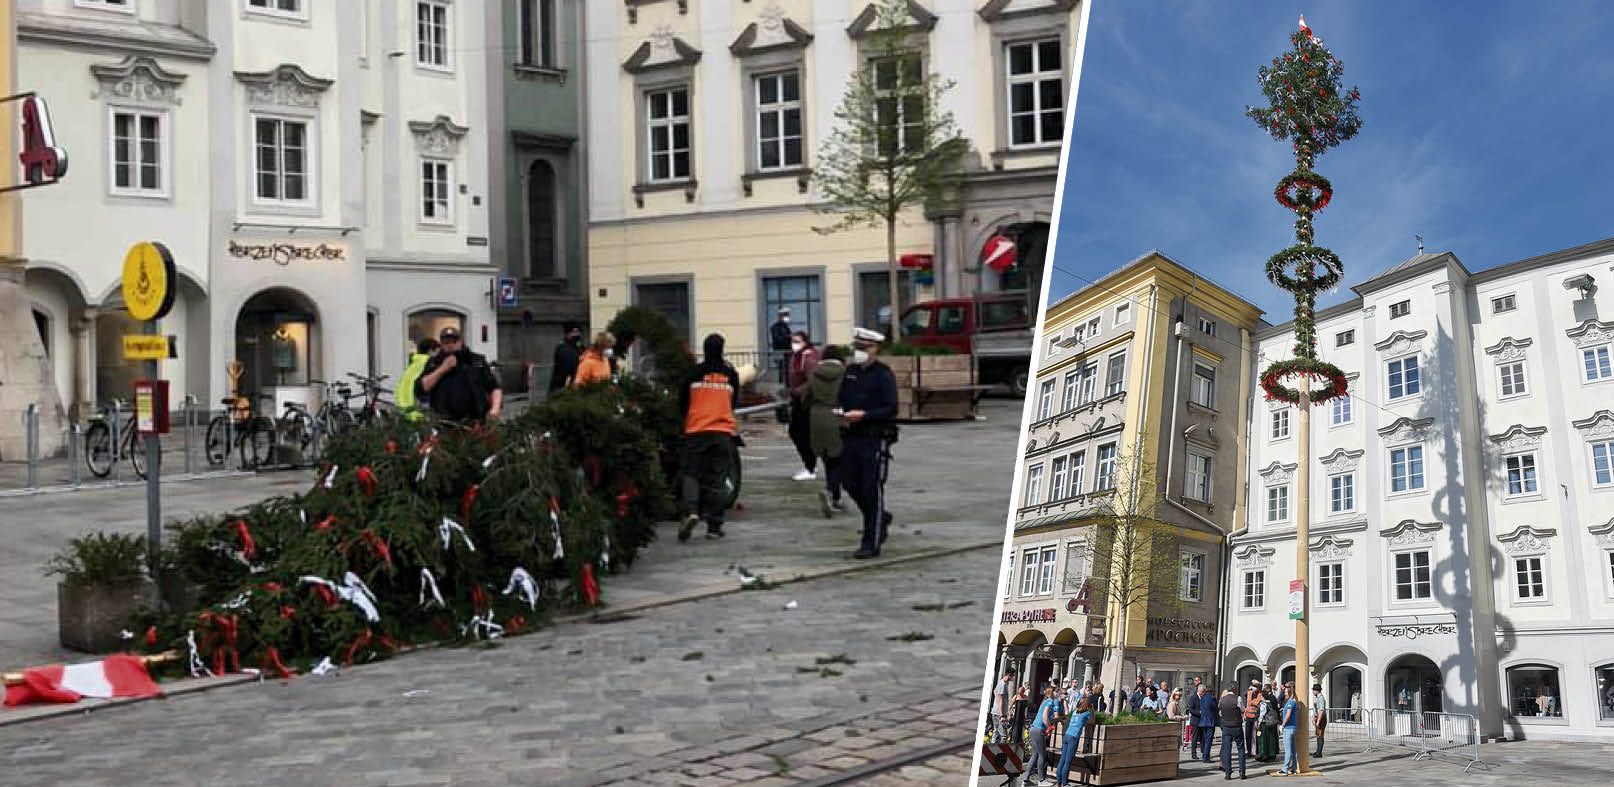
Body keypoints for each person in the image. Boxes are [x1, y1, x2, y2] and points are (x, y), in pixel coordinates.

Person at [837, 328, 898, 559]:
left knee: (870, 488)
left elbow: (891, 408)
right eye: (857, 348)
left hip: (875, 436)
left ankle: (870, 542)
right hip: (851, 435)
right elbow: (842, 397)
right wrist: (841, 413)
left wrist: (864, 415)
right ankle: (881, 516)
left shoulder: (883, 374)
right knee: (850, 483)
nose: (860, 353)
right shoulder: (850, 372)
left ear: (875, 349)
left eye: (865, 348)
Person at [676, 334, 740, 542]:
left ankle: (691, 511)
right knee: (718, 478)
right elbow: (733, 402)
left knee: (691, 473)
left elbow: (682, 401)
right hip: (722, 432)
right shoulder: (730, 374)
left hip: (696, 431)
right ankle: (714, 526)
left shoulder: (694, 373)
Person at [417, 326, 502, 422]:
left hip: (476, 422)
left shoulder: (476, 360)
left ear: (461, 342)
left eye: (454, 341)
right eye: (446, 343)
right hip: (445, 424)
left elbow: (494, 387)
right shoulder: (434, 362)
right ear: (441, 344)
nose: (451, 345)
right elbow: (422, 388)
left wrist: (495, 409)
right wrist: (443, 368)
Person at [806, 345, 848, 517]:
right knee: (840, 458)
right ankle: (832, 493)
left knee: (827, 458)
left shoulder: (814, 373)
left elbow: (807, 396)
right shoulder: (845, 373)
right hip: (837, 415)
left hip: (817, 417)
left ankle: (834, 496)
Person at [785, 331, 821, 481]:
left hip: (807, 401)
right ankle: (810, 464)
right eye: (793, 341)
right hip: (799, 400)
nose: (794, 344)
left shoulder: (808, 357)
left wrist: (797, 392)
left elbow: (812, 381)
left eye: (797, 341)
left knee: (800, 432)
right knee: (798, 432)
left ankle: (811, 466)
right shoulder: (796, 356)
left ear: (806, 341)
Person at [1054, 698, 1094, 787]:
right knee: (1068, 761)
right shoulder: (1086, 714)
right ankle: (1065, 783)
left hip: (1067, 735)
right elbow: (1092, 721)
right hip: (1074, 738)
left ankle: (1059, 782)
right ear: (1087, 705)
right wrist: (1092, 710)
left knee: (1062, 760)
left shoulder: (1075, 712)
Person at [1026, 686, 1061, 787]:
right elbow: (1044, 717)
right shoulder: (1050, 701)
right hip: (1038, 730)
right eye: (1057, 692)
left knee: (1035, 755)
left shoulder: (1045, 701)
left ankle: (1025, 780)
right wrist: (1049, 727)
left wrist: (1057, 720)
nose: (1058, 694)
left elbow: (1047, 717)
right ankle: (1041, 780)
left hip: (1033, 729)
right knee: (1042, 755)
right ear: (1052, 692)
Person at [396, 338, 438, 420]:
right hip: (419, 406)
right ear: (430, 351)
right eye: (437, 351)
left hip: (405, 406)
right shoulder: (429, 364)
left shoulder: (414, 364)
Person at [1218, 685, 1247, 780]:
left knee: (1227, 750)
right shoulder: (1238, 698)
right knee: (1241, 749)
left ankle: (1228, 773)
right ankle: (1242, 772)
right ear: (1235, 689)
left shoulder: (1222, 699)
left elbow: (1220, 713)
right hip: (1237, 726)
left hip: (1226, 726)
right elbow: (1243, 710)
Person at [548, 322, 583, 393]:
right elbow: (569, 366)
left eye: (579, 332)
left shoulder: (578, 347)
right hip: (562, 386)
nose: (577, 334)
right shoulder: (563, 348)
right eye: (575, 332)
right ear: (568, 333)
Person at [1278, 682, 1299, 775]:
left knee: (1288, 750)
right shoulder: (1294, 701)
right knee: (1293, 750)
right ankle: (1294, 768)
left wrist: (1282, 725)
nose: (1285, 694)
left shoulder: (1291, 702)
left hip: (1288, 728)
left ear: (1289, 692)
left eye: (1286, 692)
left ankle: (1285, 769)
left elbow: (1288, 715)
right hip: (1293, 728)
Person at [1254, 685, 1279, 763]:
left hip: (1264, 724)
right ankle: (1271, 753)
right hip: (1271, 722)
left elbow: (1261, 714)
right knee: (1270, 739)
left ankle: (1263, 754)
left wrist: (1258, 723)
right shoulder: (1271, 701)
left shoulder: (1263, 704)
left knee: (1263, 739)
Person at [1194, 684, 1218, 763]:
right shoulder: (1212, 699)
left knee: (1204, 739)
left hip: (1203, 721)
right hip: (1210, 722)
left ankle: (1204, 754)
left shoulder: (1202, 698)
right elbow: (1215, 709)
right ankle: (1206, 757)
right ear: (1211, 692)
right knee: (1208, 740)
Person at [769, 307, 793, 385]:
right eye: (785, 315)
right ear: (780, 316)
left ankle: (787, 385)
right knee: (782, 370)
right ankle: (782, 385)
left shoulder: (786, 327)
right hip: (780, 352)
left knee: (787, 370)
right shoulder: (775, 327)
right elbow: (777, 339)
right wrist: (788, 337)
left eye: (787, 315)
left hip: (787, 352)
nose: (787, 317)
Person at [1243, 680, 1262, 758]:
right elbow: (1247, 701)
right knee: (1247, 735)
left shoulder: (1260, 694)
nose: (1254, 688)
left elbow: (1257, 702)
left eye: (1256, 686)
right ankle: (1249, 751)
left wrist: (1252, 701)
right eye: (1253, 686)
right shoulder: (1249, 692)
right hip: (1248, 716)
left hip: (1255, 717)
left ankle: (1255, 750)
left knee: (1255, 735)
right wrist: (1248, 690)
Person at [1311, 683, 1327, 757]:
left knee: (1320, 735)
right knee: (1318, 735)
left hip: (1321, 718)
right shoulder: (1316, 697)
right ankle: (1317, 751)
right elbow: (1315, 709)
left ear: (1316, 690)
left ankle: (1319, 752)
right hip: (1317, 717)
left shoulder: (1321, 698)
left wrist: (1318, 721)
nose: (1312, 692)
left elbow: (1321, 711)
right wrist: (1313, 717)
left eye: (1313, 690)